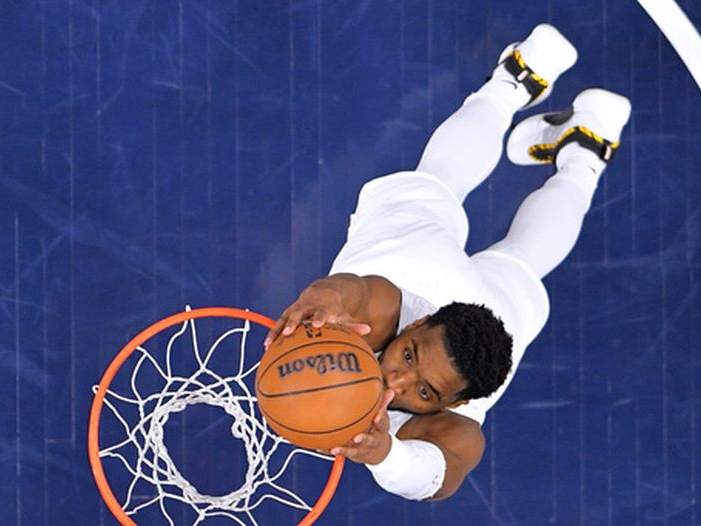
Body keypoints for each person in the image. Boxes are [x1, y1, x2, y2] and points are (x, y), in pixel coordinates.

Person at [263, 23, 631, 501]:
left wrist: (387, 453)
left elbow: (439, 475)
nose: (395, 381)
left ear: (460, 402)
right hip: (417, 255)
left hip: (492, 304)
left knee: (475, 211)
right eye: (409, 355)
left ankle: (552, 105)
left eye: (424, 394)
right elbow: (352, 291)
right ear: (420, 322)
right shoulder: (386, 306)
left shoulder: (465, 411)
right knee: (497, 230)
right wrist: (322, 299)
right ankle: (567, 134)